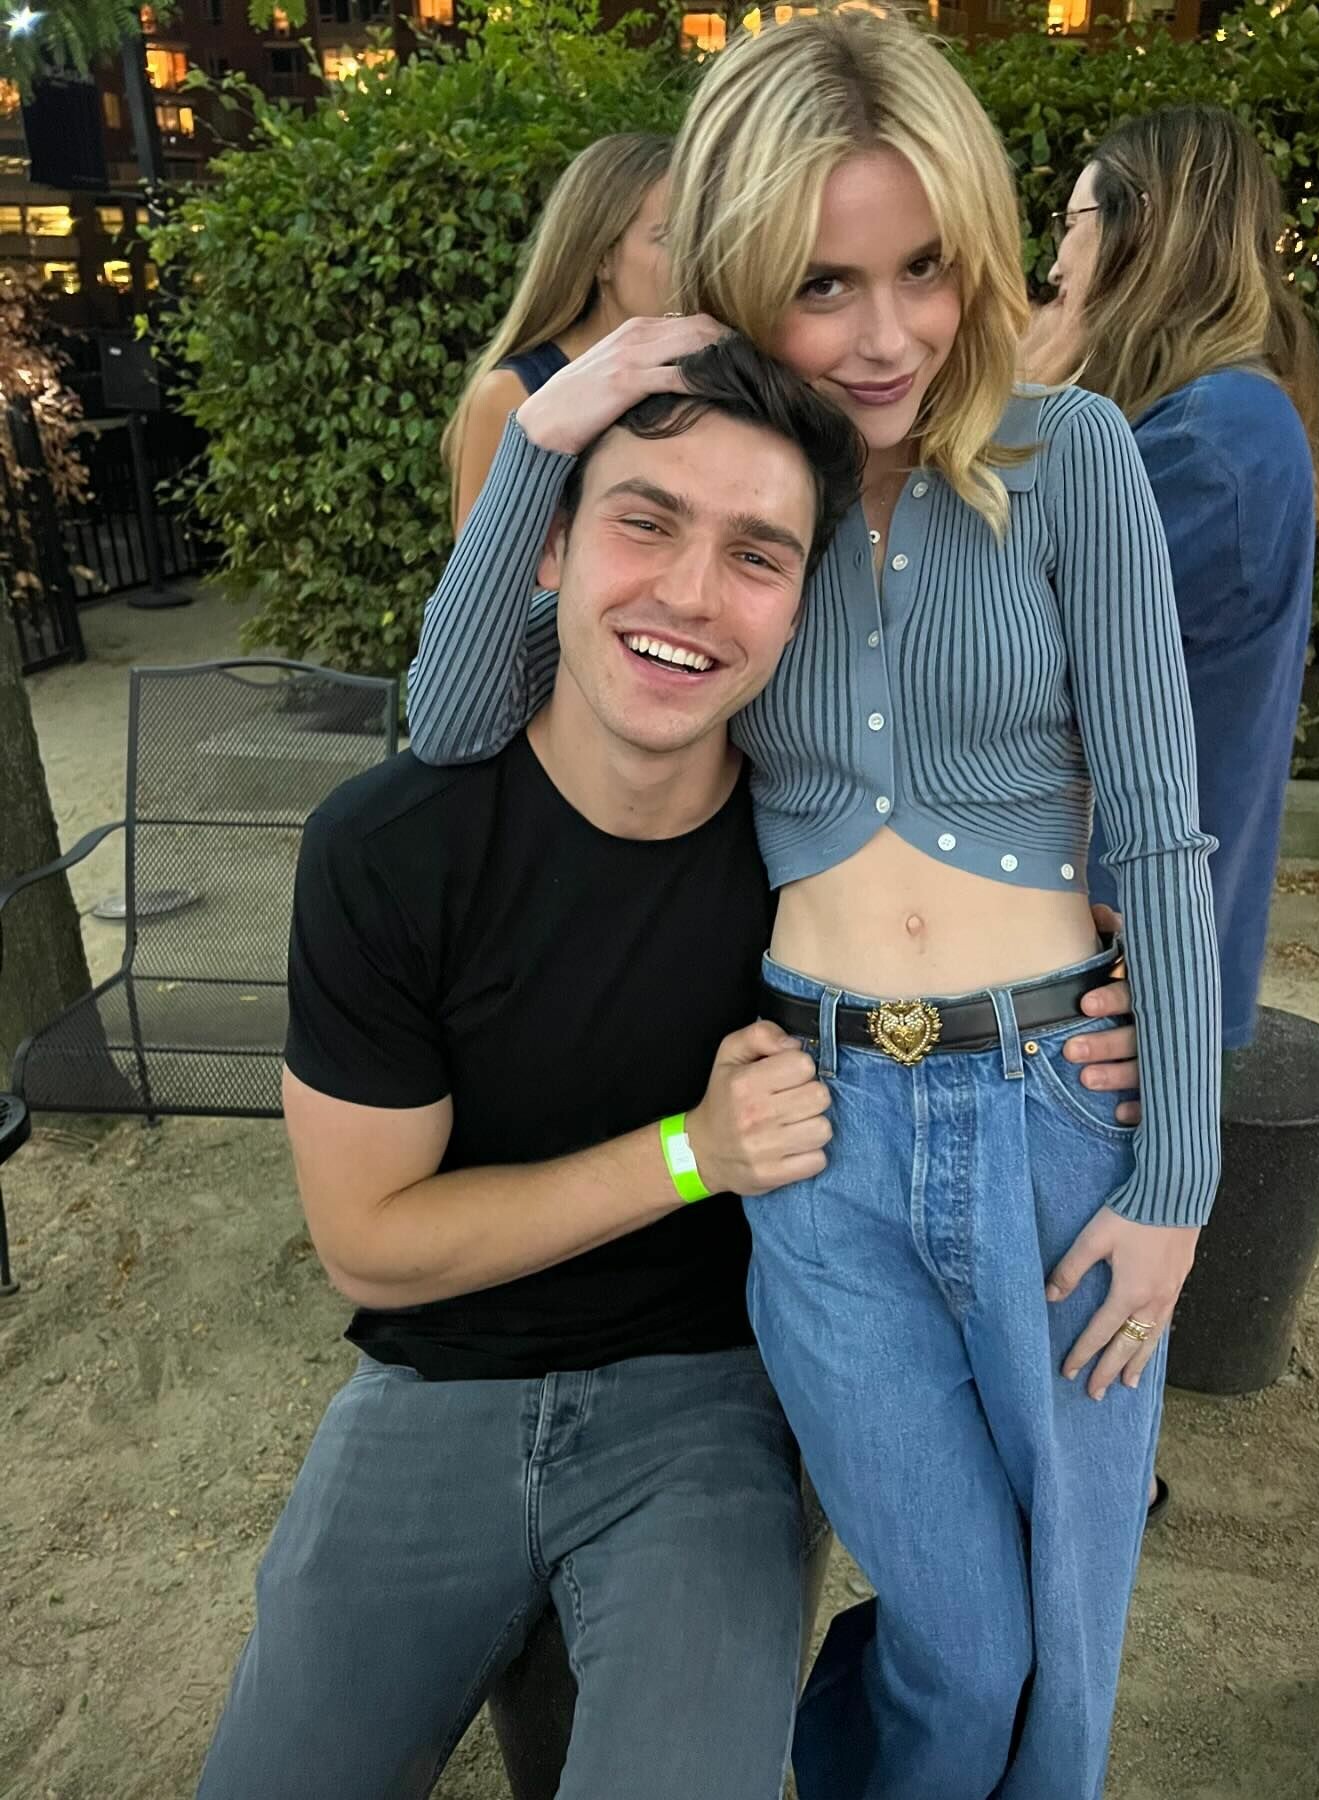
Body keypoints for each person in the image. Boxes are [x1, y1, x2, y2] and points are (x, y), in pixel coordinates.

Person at [403, 12, 1221, 1800]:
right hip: (819, 1136)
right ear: (737, 277)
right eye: (823, 283)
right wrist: (550, 428)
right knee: (965, 1632)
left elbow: (1164, 833)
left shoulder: (1073, 457)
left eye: (925, 266)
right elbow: (451, 719)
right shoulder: (722, 499)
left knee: (1066, 1631)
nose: (886, 333)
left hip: (1057, 1117)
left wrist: (1179, 1178)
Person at [195, 336, 862, 1800]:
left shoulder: (829, 865)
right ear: (549, 546)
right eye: (646, 522)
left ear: (803, 605)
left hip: (709, 1402)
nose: (692, 594)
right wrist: (693, 1151)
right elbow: (370, 1241)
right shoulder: (390, 849)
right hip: (436, 1386)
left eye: (757, 555)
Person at [1028, 105, 1319, 1525]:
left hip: (1113, 943)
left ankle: (1090, 1500)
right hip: (1133, 934)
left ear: (1139, 233)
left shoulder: (1202, 440)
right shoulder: (1222, 417)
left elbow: (1006, 653)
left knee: (1070, 1289)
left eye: (1072, 223)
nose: (1052, 258)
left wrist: (1015, 407)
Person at [442, 131, 672, 532]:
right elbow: (481, 567)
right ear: (602, 256)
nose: (699, 257)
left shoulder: (711, 381)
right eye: (669, 237)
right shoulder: (514, 395)